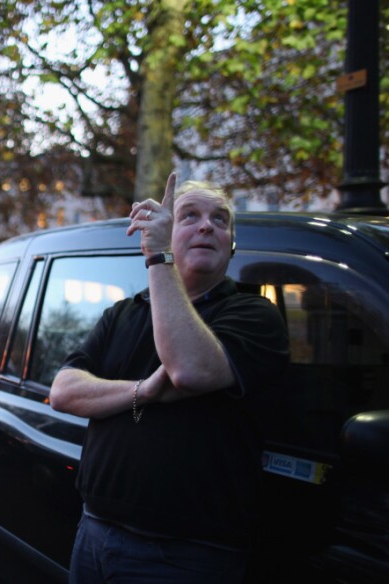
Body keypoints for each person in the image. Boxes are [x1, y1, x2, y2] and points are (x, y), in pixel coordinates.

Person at [49, 173, 290, 583]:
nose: (206, 225)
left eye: (221, 219)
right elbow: (63, 391)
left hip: (187, 555)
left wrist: (160, 257)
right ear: (167, 231)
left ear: (231, 243)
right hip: (93, 530)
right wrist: (146, 391)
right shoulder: (123, 313)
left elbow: (189, 369)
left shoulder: (255, 316)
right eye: (189, 216)